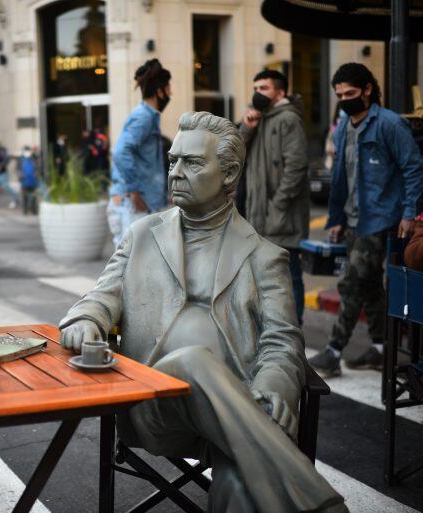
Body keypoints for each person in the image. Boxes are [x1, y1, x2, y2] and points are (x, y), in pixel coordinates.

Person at [60, 112, 347, 513]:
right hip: (155, 404)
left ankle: (274, 472)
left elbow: (282, 340)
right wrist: (87, 320)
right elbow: (98, 298)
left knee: (241, 480)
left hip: (240, 410)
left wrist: (275, 387)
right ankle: (319, 503)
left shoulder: (265, 256)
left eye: (192, 162)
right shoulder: (142, 236)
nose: (175, 172)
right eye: (173, 160)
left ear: (229, 174)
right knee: (195, 362)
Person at [309, 63, 423, 377]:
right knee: (371, 285)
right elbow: (341, 177)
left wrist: (409, 213)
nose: (344, 100)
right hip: (353, 219)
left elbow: (413, 169)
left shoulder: (390, 124)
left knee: (353, 283)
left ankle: (333, 351)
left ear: (368, 90)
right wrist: (335, 218)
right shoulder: (345, 125)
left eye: (350, 93)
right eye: (339, 95)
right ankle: (381, 348)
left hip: (381, 218)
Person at [239, 69, 310, 325]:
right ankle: (272, 331)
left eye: (264, 89)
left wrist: (277, 205)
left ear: (279, 93)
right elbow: (233, 154)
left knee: (289, 278)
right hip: (259, 217)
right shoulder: (258, 118)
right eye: (255, 88)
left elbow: (296, 167)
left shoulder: (288, 119)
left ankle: (293, 333)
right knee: (265, 280)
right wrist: (246, 128)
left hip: (283, 217)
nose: (257, 93)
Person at [108, 58, 171, 246]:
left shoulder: (148, 117)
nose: (171, 93)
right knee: (130, 271)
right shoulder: (143, 117)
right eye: (168, 89)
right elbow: (120, 152)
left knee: (141, 270)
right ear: (159, 92)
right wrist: (134, 191)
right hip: (131, 205)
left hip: (137, 205)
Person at [18, 146, 39, 215]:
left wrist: (36, 175)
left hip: (33, 180)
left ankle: (34, 210)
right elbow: (18, 169)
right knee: (24, 196)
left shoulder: (33, 158)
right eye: (26, 151)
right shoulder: (21, 159)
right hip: (24, 180)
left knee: (34, 197)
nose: (27, 153)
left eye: (28, 151)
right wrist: (20, 176)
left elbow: (37, 167)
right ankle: (25, 210)